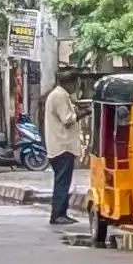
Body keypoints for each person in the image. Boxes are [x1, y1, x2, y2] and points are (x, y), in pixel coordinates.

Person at [42, 71, 83, 226]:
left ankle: (61, 212)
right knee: (62, 182)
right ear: (70, 83)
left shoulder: (60, 95)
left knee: (63, 181)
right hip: (62, 146)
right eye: (76, 84)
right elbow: (67, 119)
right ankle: (58, 214)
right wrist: (82, 114)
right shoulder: (59, 96)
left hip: (61, 145)